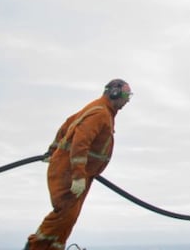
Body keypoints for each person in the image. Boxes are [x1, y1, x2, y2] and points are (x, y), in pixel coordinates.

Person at [26, 79, 133, 250]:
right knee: (63, 216)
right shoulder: (100, 113)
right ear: (115, 93)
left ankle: (54, 247)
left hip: (79, 173)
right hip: (69, 172)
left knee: (68, 218)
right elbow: (80, 143)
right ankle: (35, 247)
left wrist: (52, 150)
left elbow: (68, 123)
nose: (128, 101)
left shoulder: (99, 109)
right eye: (127, 96)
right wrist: (77, 175)